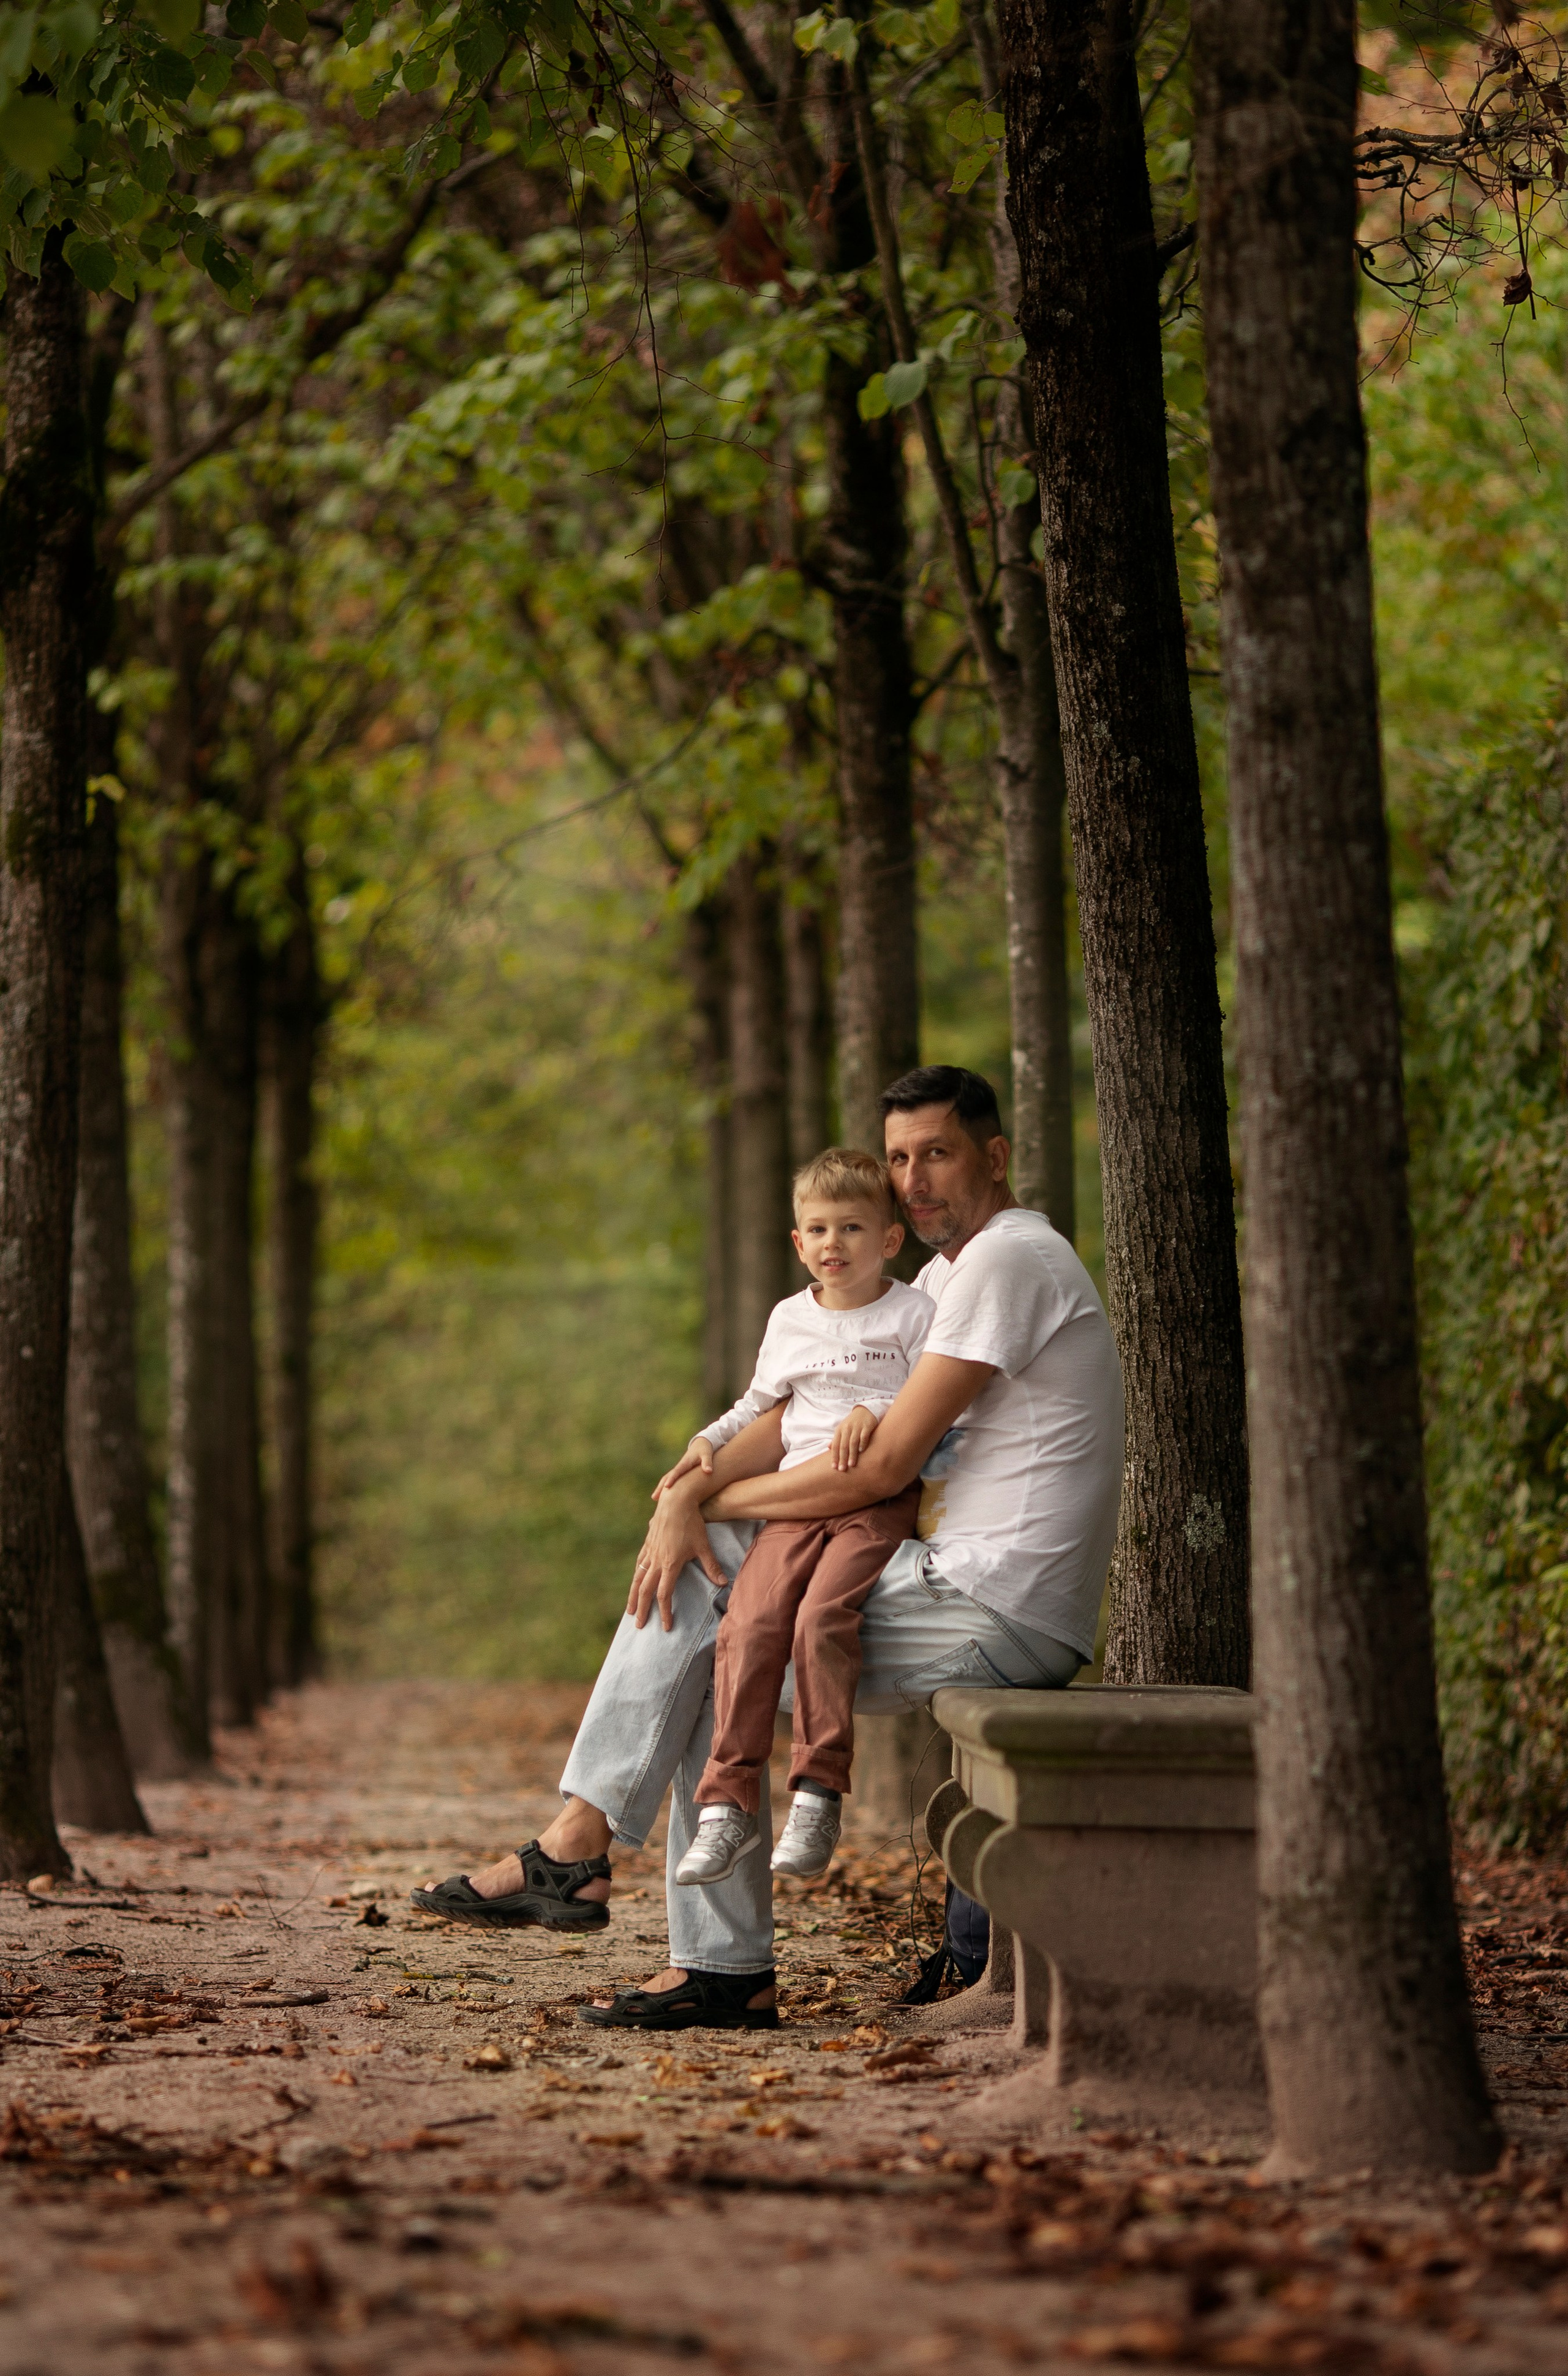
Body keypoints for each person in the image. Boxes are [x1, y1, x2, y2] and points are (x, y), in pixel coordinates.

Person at [412, 1066, 1124, 2037]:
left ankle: (595, 1856)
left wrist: (702, 1505)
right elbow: (798, 1411)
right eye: (902, 1157)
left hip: (993, 1603)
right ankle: (699, 1954)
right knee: (708, 1645)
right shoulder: (945, 1278)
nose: (915, 1179)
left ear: (994, 1157)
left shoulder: (1007, 1262)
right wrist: (689, 1488)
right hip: (953, 1585)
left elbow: (876, 1470)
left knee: (708, 1612)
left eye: (940, 1153)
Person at [671, 1147, 933, 1890]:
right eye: (817, 1230)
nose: (832, 1245)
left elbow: (936, 1403)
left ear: (888, 1238)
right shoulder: (790, 1318)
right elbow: (757, 1406)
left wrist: (874, 1409)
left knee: (821, 1620)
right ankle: (726, 1807)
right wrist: (707, 1442)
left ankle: (817, 1794)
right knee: (749, 1626)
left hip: (874, 1505)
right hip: (794, 1504)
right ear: (798, 1241)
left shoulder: (913, 1312)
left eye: (851, 1228)